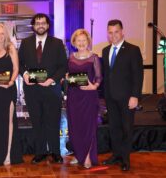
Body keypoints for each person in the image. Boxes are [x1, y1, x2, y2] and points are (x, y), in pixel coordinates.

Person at [18, 13, 68, 164]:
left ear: (47, 25)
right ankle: (40, 152)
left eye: (43, 23)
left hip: (51, 89)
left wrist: (52, 79)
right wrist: (25, 74)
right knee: (37, 121)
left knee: (53, 121)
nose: (40, 25)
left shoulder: (57, 43)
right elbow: (19, 63)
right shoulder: (25, 43)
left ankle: (55, 152)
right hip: (32, 90)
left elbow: (63, 66)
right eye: (37, 23)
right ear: (33, 26)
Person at [102, 19, 143, 171]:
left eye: (116, 32)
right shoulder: (106, 51)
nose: (113, 35)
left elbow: (138, 75)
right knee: (114, 128)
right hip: (110, 98)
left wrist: (135, 96)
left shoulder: (133, 50)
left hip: (127, 98)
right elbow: (107, 75)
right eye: (110, 32)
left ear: (122, 32)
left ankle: (125, 159)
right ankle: (116, 155)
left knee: (127, 128)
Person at [0, 23, 23, 166]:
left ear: (5, 35)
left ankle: (8, 155)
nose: (0, 36)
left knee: (9, 121)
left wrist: (11, 81)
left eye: (2, 33)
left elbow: (16, 69)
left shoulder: (11, 48)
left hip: (8, 89)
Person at [66, 29, 102, 169]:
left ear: (88, 42)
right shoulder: (70, 57)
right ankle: (78, 154)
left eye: (84, 40)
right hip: (74, 97)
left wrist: (95, 86)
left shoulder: (94, 57)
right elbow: (68, 74)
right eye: (78, 40)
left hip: (88, 96)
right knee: (75, 127)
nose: (81, 43)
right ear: (74, 42)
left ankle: (87, 156)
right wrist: (67, 77)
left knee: (88, 127)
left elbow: (98, 76)